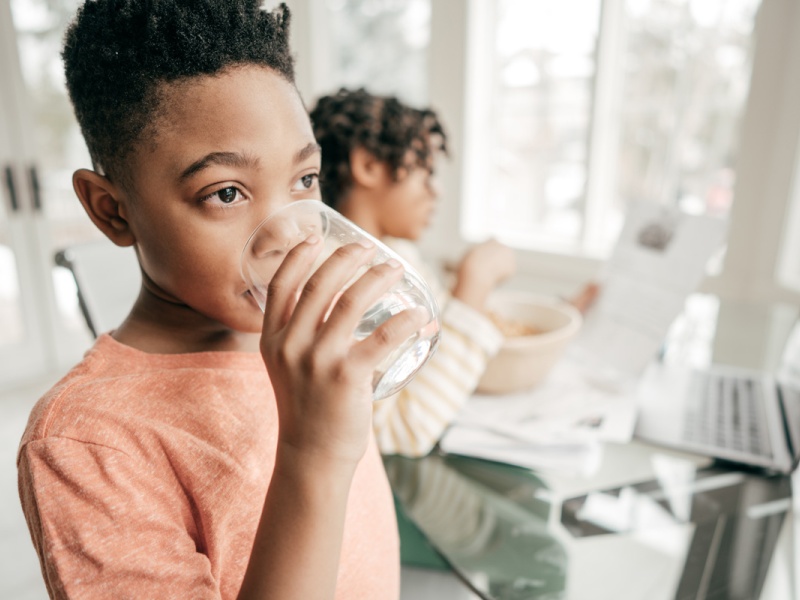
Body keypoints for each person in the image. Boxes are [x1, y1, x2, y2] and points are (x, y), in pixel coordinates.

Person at [17, 3, 427, 599]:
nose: (291, 231)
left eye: (305, 181)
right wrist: (313, 453)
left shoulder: (303, 339)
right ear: (112, 209)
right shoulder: (84, 445)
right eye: (227, 192)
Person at [309, 88, 598, 458]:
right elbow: (401, 432)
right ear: (367, 166)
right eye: (425, 172)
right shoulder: (343, 279)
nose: (437, 191)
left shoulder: (400, 255)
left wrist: (560, 310)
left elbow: (445, 349)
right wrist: (474, 280)